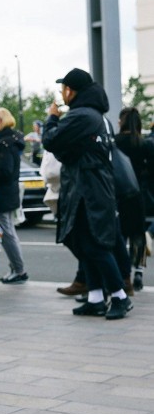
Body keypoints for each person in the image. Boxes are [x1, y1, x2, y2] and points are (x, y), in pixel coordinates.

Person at [43, 68, 132, 320]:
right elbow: (70, 151)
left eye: (63, 89)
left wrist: (51, 118)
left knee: (95, 245)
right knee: (86, 243)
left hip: (88, 191)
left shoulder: (81, 116)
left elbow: (52, 141)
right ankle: (94, 297)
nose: (62, 94)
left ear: (71, 91)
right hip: (93, 188)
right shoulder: (97, 116)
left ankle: (119, 297)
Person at [0, 107, 30, 285]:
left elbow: (5, 171)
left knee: (6, 232)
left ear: (3, 121)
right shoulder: (11, 140)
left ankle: (19, 270)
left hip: (2, 193)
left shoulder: (5, 143)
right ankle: (16, 268)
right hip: (7, 192)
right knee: (8, 231)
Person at [114, 106, 152, 291]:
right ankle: (138, 271)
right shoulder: (144, 144)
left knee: (120, 234)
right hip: (139, 196)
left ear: (122, 122)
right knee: (138, 236)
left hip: (118, 195)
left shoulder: (115, 142)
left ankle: (124, 273)